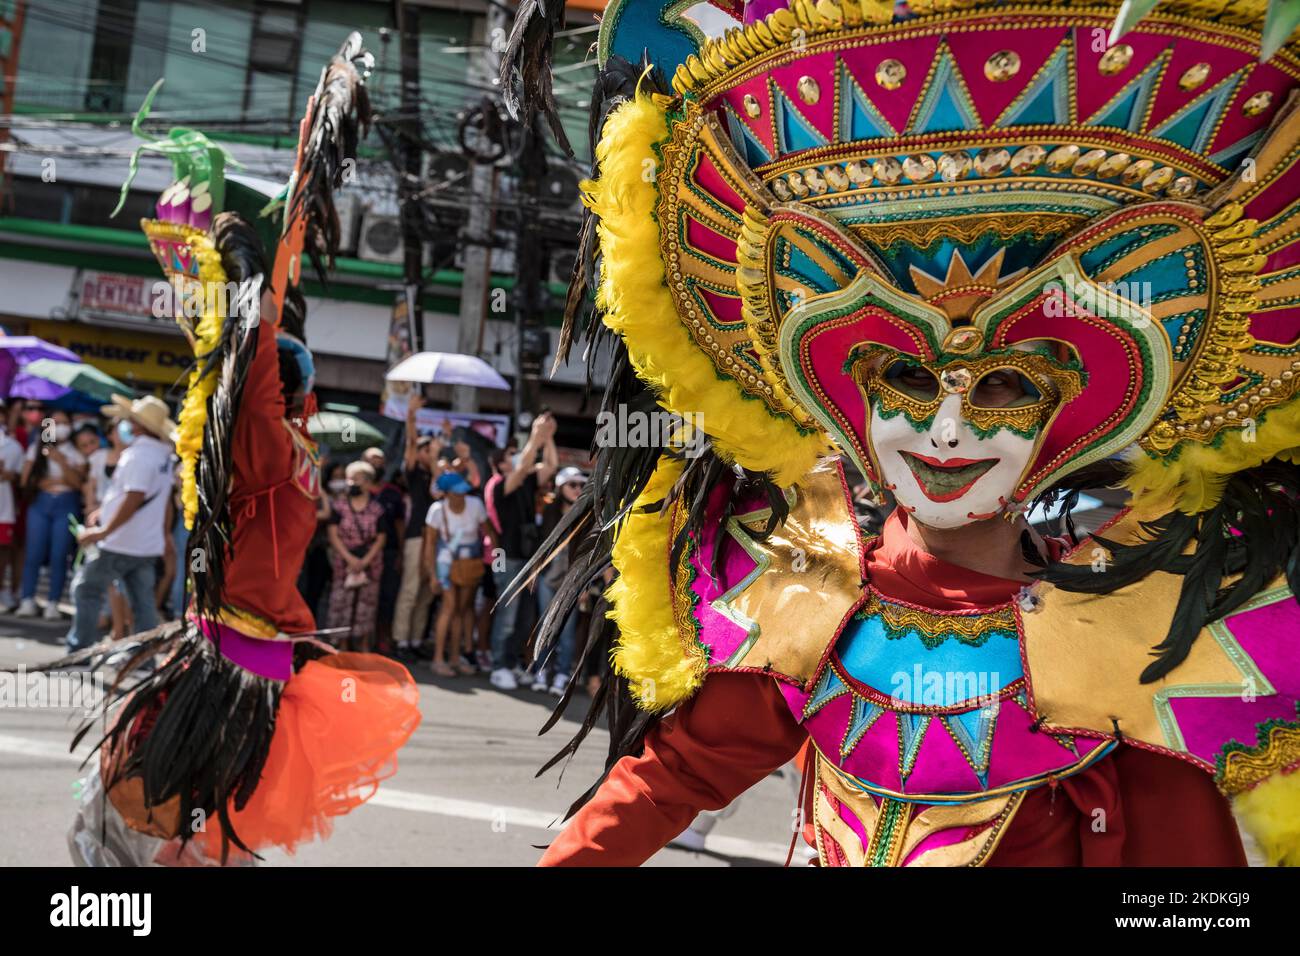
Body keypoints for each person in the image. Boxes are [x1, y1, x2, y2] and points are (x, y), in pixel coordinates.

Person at [506, 0, 1300, 867]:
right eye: (909, 380)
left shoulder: (1139, 643)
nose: (947, 429)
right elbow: (667, 783)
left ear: (1073, 412)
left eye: (1001, 386)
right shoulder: (811, 595)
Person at [64, 40, 418, 868]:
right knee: (190, 833)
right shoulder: (271, 450)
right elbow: (247, 373)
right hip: (233, 665)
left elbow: (250, 371)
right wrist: (249, 292)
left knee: (170, 833)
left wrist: (253, 285)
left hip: (232, 669)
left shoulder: (264, 447)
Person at [67, 396, 175, 652]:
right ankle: (142, 658)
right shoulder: (161, 456)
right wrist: (104, 511)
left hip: (120, 543)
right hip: (145, 544)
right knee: (142, 602)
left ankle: (79, 652)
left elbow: (133, 498)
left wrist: (103, 530)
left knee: (86, 590)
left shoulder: (139, 456)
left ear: (137, 425)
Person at [485, 412, 557, 689]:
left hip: (528, 557)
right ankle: (498, 666)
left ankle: (512, 662)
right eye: (510, 455)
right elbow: (525, 463)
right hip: (506, 556)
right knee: (507, 614)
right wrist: (535, 438)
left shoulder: (526, 480)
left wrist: (547, 439)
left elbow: (549, 465)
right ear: (499, 464)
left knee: (525, 615)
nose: (517, 457)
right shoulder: (498, 485)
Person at [16, 409, 87, 619]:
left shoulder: (75, 451)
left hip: (66, 505)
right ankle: (27, 599)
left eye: (64, 422)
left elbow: (77, 483)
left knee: (59, 555)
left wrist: (61, 461)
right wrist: (49, 481)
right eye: (55, 422)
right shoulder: (37, 448)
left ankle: (52, 603)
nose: (60, 426)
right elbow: (26, 481)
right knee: (34, 554)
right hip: (40, 504)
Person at [424, 471, 495, 677]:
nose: (461, 496)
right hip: (445, 563)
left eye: (463, 491)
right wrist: (432, 575)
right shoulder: (436, 510)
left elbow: (490, 533)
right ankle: (438, 659)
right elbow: (430, 545)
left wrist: (498, 564)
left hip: (471, 562)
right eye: (456, 493)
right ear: (446, 493)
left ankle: (455, 658)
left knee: (462, 609)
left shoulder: (475, 505)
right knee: (449, 607)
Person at [529, 466, 585, 696]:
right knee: (545, 627)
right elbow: (540, 547)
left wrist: (584, 584)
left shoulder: (587, 514)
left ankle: (562, 674)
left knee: (567, 630)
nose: (578, 489)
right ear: (561, 487)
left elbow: (587, 553)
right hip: (547, 578)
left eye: (581, 485)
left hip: (571, 584)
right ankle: (541, 671)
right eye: (572, 485)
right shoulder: (549, 513)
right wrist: (533, 574)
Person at [392, 395, 438, 655]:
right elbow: (411, 442)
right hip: (415, 536)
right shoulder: (413, 472)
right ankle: (400, 639)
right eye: (427, 449)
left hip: (435, 538)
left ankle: (415, 640)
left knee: (425, 591)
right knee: (410, 588)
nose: (430, 452)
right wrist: (411, 416)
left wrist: (437, 458)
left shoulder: (437, 475)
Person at [325, 460, 387, 652]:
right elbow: (333, 534)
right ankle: (341, 645)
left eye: (357, 479)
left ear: (368, 483)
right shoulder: (339, 506)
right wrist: (349, 558)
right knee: (341, 602)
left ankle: (363, 645)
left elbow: (381, 538)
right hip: (344, 561)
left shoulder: (377, 509)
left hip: (370, 564)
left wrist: (365, 560)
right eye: (349, 479)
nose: (352, 483)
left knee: (366, 605)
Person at [361, 445, 403, 652]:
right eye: (371, 460)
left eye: (380, 461)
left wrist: (401, 554)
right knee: (361, 597)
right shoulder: (357, 490)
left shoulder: (393, 494)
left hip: (388, 553)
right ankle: (359, 640)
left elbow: (399, 525)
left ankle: (381, 637)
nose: (376, 465)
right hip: (359, 554)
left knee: (386, 597)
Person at [0, 404, 25, 612]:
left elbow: (21, 478)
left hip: (5, 506)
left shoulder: (14, 446)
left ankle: (3, 590)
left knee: (4, 550)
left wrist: (9, 475)